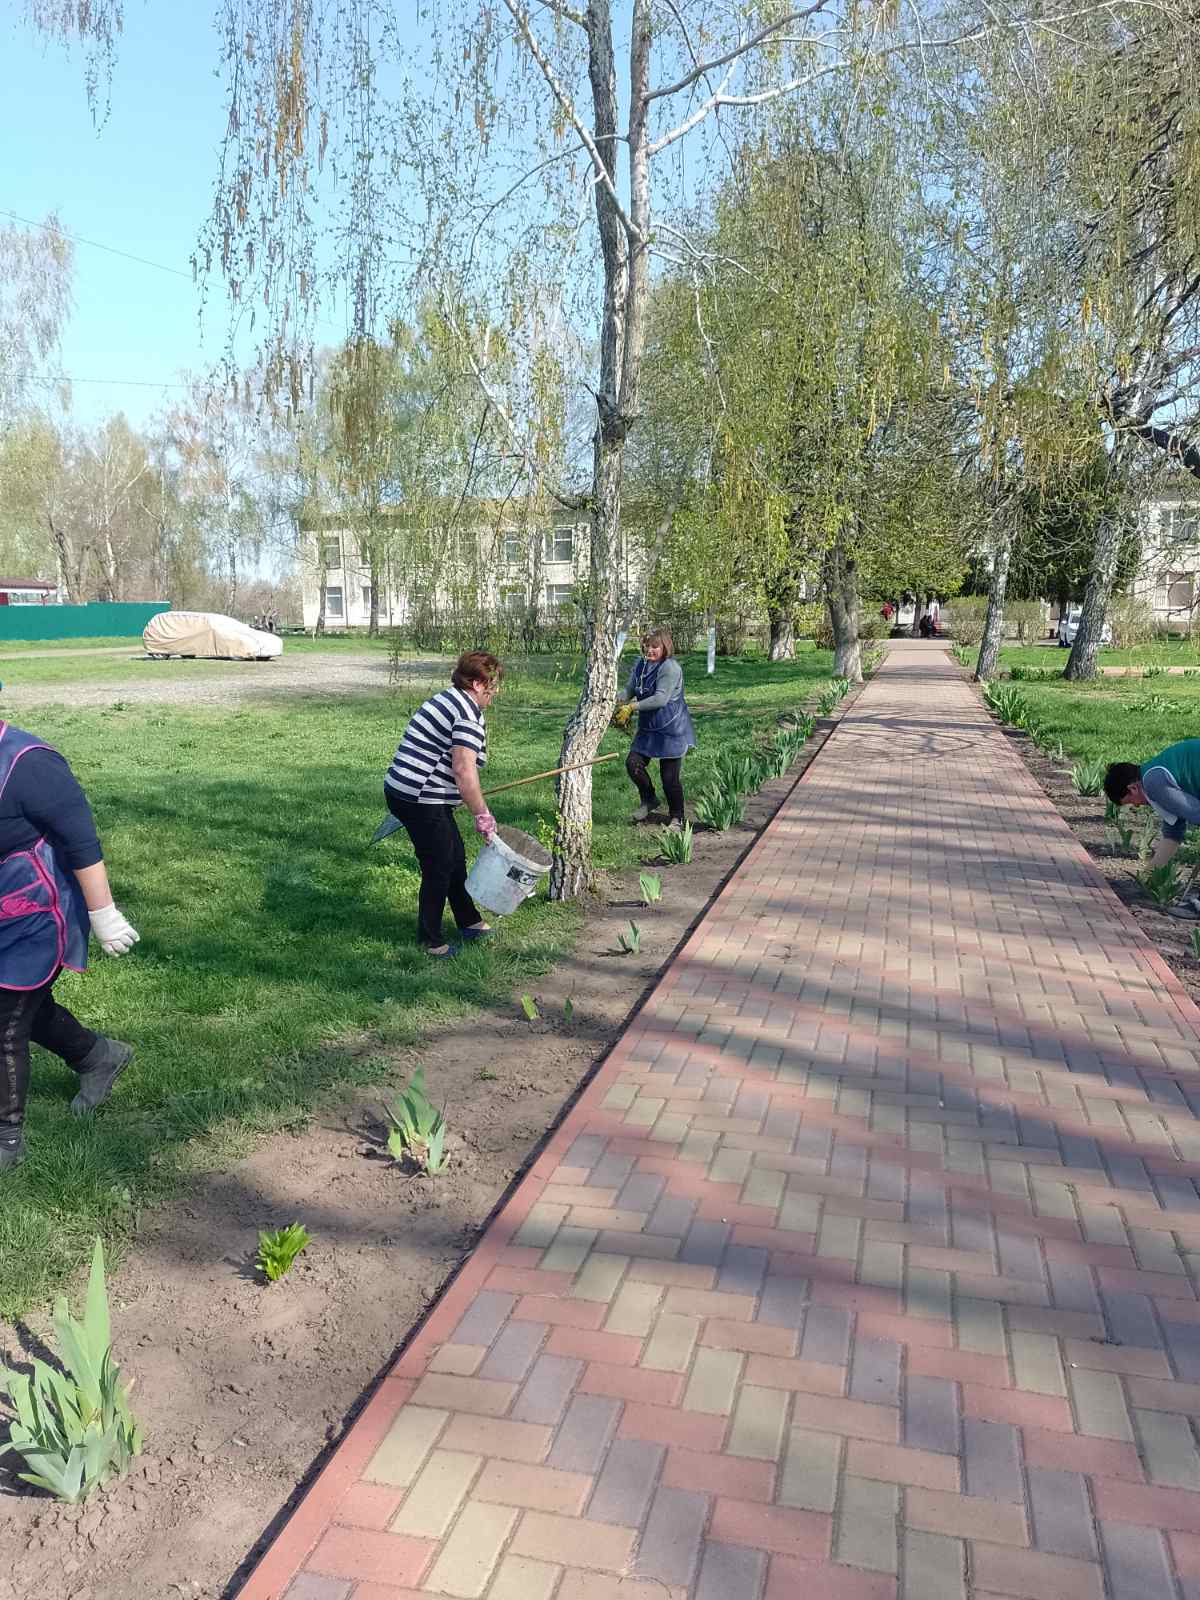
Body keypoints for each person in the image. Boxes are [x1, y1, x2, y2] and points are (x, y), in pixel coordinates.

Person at [0, 721, 140, 1173]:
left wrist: (103, 913)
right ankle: (99, 1056)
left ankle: (6, 1138)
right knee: (24, 1008)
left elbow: (81, 841)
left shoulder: (29, 763)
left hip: (38, 913)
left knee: (4, 1020)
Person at [384, 651, 502, 958]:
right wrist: (482, 815)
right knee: (439, 865)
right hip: (418, 797)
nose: (495, 692)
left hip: (412, 790)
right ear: (477, 683)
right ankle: (430, 941)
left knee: (454, 855)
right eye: (493, 685)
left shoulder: (451, 699)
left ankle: (469, 921)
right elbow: (464, 771)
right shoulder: (465, 713)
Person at [1106, 740, 1200, 916]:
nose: (1137, 806)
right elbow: (1174, 831)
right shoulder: (1155, 774)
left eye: (1130, 802)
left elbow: (1195, 813)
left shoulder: (1153, 783)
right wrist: (1148, 879)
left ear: (1133, 788)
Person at [618, 626, 696, 831]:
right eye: (647, 646)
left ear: (665, 647)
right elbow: (631, 688)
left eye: (655, 646)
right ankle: (649, 799)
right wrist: (619, 698)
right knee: (633, 764)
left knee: (669, 778)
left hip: (671, 728)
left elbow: (661, 698)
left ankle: (677, 817)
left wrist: (632, 706)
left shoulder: (670, 668)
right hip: (648, 728)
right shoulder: (641, 664)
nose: (649, 650)